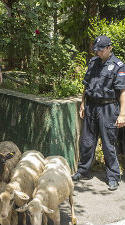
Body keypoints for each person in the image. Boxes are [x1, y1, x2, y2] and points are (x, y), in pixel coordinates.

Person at [72, 35, 125, 191]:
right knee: (87, 141)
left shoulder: (118, 66)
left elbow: (123, 91)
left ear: (109, 48)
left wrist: (122, 114)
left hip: (108, 108)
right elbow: (87, 85)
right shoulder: (93, 62)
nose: (98, 53)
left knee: (109, 143)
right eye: (96, 50)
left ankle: (113, 176)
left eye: (101, 50)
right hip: (91, 107)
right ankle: (83, 171)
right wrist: (83, 103)